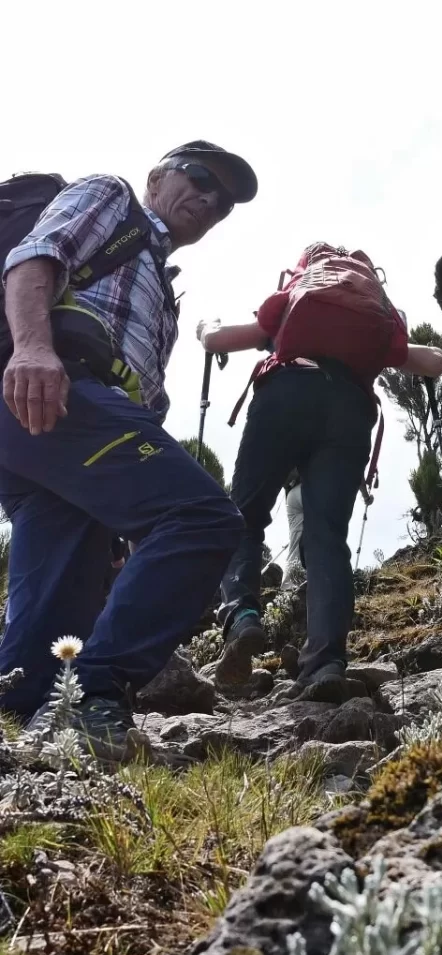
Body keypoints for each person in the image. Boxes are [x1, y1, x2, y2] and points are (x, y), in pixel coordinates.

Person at [0, 141, 258, 759]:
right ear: (156, 177)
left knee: (58, 601)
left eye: (221, 202)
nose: (209, 199)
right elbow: (34, 255)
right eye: (199, 179)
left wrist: (124, 520)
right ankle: (91, 701)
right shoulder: (110, 196)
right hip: (55, 388)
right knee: (201, 516)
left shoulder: (163, 295)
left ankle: (20, 719)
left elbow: (148, 404)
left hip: (57, 439)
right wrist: (33, 348)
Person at [197, 258, 442, 702]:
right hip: (350, 408)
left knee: (245, 516)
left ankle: (242, 616)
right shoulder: (372, 309)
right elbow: (433, 362)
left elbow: (219, 338)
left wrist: (206, 327)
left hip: (286, 393)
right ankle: (326, 663)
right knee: (326, 538)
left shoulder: (296, 294)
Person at [282, 469, 305, 591]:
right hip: (296, 499)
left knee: (296, 543)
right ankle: (289, 585)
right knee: (297, 542)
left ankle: (289, 585)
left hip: (294, 498)